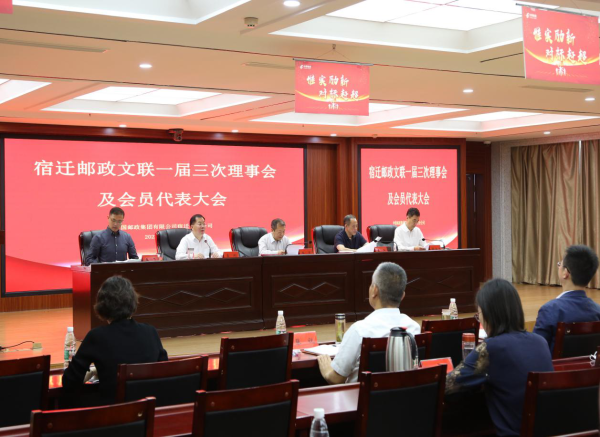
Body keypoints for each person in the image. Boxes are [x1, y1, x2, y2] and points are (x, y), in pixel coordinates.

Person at [445, 279, 553, 436]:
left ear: (489, 314)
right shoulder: (540, 342)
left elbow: (447, 387)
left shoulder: (491, 348)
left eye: (479, 314)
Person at [62, 276, 168, 404]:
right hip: (149, 410)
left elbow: (69, 382)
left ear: (102, 305)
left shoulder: (96, 336)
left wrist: (96, 372)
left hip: (113, 413)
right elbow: (164, 373)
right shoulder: (150, 332)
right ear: (133, 302)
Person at [317, 262, 420, 384]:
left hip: (360, 396)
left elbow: (336, 379)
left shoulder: (359, 330)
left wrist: (327, 369)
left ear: (374, 290)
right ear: (402, 296)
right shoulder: (414, 328)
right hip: (404, 395)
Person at [533, 245, 600, 352]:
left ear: (566, 273)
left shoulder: (550, 310)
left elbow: (536, 351)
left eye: (559, 264)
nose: (558, 267)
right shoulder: (597, 311)